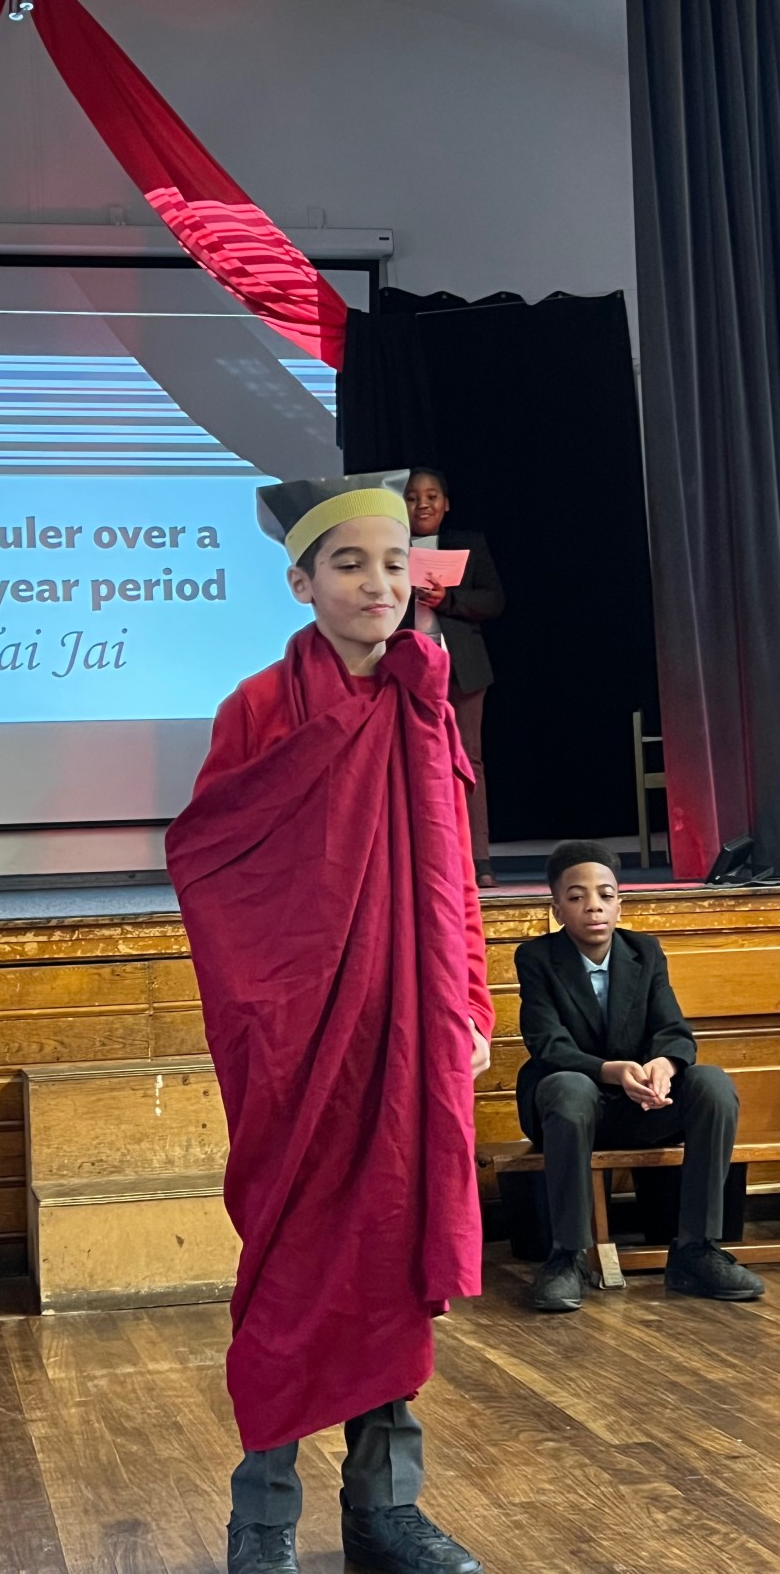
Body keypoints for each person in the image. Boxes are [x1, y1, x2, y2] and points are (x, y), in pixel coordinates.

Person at [167, 472, 493, 1574]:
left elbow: (451, 872)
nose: (378, 584)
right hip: (297, 1036)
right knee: (295, 1262)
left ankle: (384, 1509)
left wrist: (468, 999)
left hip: (407, 1023)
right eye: (350, 564)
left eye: (394, 563)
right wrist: (273, 1004)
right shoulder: (258, 707)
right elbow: (213, 866)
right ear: (302, 583)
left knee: (392, 1248)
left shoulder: (423, 697)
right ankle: (262, 1517)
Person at [516, 840, 764, 1312]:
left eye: (605, 895)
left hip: (640, 1104)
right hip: (569, 1108)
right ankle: (567, 1257)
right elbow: (548, 1045)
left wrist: (663, 1067)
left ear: (619, 904)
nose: (593, 906)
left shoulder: (644, 951)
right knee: (570, 1087)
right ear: (557, 909)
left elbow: (674, 1031)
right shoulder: (537, 958)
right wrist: (611, 1071)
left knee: (712, 1085)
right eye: (577, 896)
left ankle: (696, 1250)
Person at [402, 467, 504, 888]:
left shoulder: (468, 544)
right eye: (412, 497)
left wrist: (448, 599)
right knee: (408, 762)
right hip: (406, 671)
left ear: (446, 504)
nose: (422, 504)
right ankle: (418, 860)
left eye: (431, 496)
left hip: (462, 669)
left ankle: (477, 861)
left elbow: (493, 600)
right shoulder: (388, 547)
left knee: (467, 761)